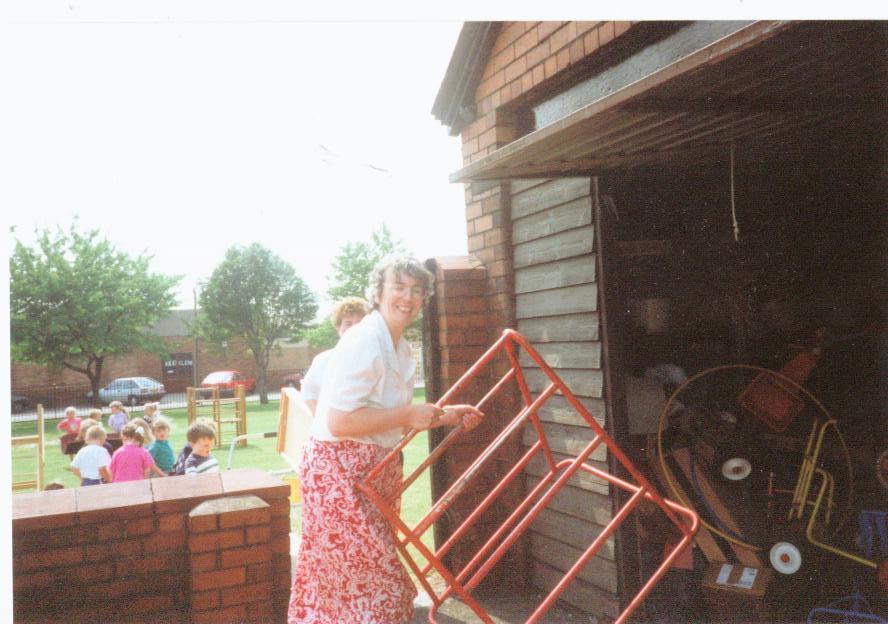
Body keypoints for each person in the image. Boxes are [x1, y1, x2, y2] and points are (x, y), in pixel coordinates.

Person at [289, 255, 484, 624]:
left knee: (346, 589)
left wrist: (446, 414)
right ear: (378, 293)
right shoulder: (364, 339)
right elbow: (340, 420)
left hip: (373, 474)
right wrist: (408, 415)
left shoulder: (401, 347)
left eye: (416, 290)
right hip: (338, 474)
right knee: (382, 587)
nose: (407, 297)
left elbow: (391, 419)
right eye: (398, 287)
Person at [301, 296, 370, 415]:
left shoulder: (378, 358)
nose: (354, 328)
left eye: (359, 323)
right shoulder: (323, 360)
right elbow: (308, 391)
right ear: (338, 327)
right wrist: (322, 420)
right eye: (348, 323)